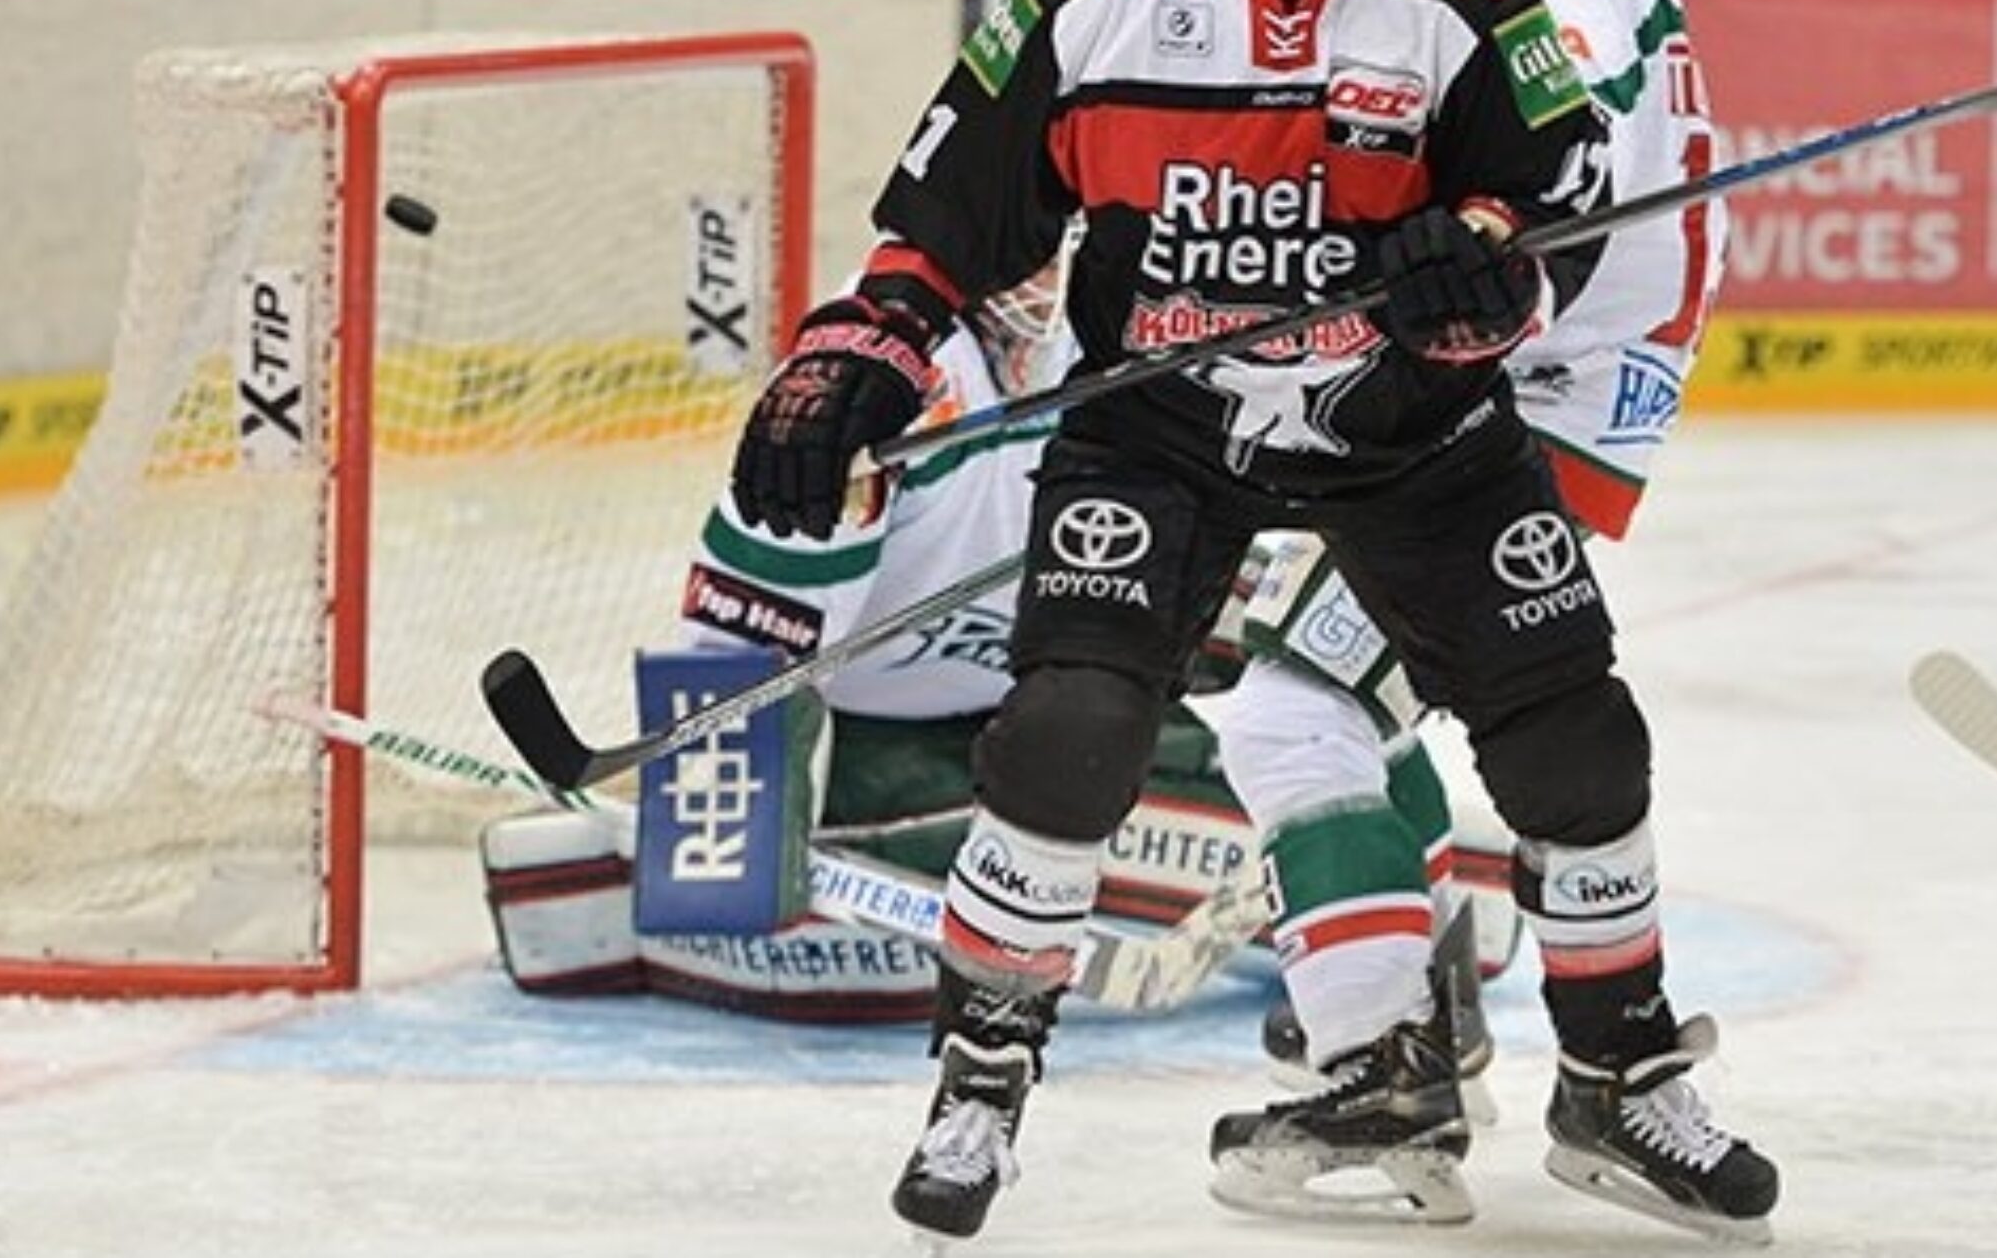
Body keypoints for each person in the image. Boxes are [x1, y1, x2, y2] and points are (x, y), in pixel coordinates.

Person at [722, 0, 1772, 1246]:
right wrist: (856, 353)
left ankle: (1619, 1075)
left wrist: (1483, 269)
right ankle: (982, 1080)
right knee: (1071, 733)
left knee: (1578, 739)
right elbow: (945, 222)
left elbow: (1550, 195)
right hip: (1164, 432)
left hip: (1408, 427)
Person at [1197, 0, 1752, 1242]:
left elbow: (1538, 219)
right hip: (1561, 417)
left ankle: (1390, 1072)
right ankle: (1442, 1006)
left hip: (1515, 424)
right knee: (1374, 705)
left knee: (1295, 712)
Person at [478, 246, 1526, 1022]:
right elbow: (739, 653)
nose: (1056, 271)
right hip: (861, 742)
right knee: (903, 858)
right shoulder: (888, 393)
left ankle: (1364, 943)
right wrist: (719, 845)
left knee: (1296, 734)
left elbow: (1237, 592)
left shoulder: (1144, 345)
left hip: (1045, 701)